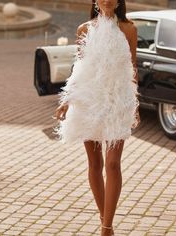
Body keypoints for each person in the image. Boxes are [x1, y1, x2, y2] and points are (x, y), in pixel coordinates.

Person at [53, 0, 140, 235]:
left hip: (117, 101)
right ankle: (106, 221)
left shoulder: (129, 29)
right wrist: (67, 100)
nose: (107, 0)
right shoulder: (84, 29)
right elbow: (79, 68)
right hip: (89, 99)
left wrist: (135, 103)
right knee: (94, 164)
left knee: (112, 164)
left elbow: (132, 67)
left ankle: (105, 227)